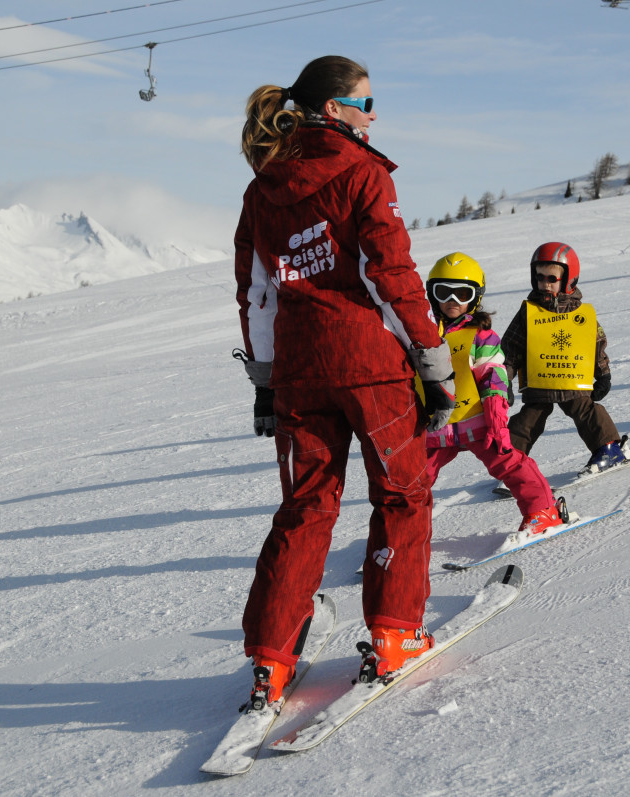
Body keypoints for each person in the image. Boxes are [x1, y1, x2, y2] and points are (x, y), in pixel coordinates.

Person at [232, 55, 455, 705]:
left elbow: (257, 295)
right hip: (368, 366)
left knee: (306, 508)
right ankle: (395, 633)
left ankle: (270, 661)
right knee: (402, 492)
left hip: (300, 374)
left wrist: (268, 381)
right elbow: (391, 275)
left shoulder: (263, 188)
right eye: (366, 101)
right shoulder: (362, 172)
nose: (374, 113)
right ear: (334, 110)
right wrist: (432, 358)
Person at [422, 252, 565, 533]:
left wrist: (498, 423)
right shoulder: (421, 334)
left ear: (474, 298)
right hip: (435, 427)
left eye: (462, 293)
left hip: (478, 421)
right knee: (414, 479)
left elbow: (493, 377)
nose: (453, 301)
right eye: (444, 293)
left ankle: (543, 511)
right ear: (431, 294)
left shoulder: (480, 335)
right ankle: (405, 532)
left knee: (509, 462)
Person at [502, 242, 630, 475]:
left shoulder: (581, 314)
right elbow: (510, 350)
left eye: (551, 278)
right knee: (528, 420)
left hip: (572, 379)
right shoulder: (529, 311)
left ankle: (610, 448)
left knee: (587, 411)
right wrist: (504, 381)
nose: (545, 284)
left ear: (569, 279)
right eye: (540, 277)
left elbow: (596, 346)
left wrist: (603, 374)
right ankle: (512, 461)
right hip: (539, 380)